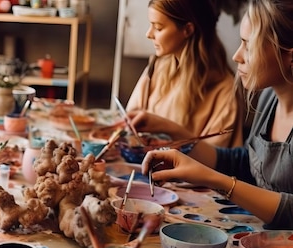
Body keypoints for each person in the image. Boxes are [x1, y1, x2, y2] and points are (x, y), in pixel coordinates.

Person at [143, 0, 293, 229]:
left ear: (290, 56)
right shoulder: (269, 99)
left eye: (248, 45)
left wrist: (212, 178)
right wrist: (178, 139)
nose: (237, 56)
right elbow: (249, 164)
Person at [125, 0, 244, 148]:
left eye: (158, 27)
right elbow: (130, 119)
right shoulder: (157, 66)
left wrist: (167, 127)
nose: (149, 34)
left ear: (187, 30)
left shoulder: (225, 91)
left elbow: (217, 160)